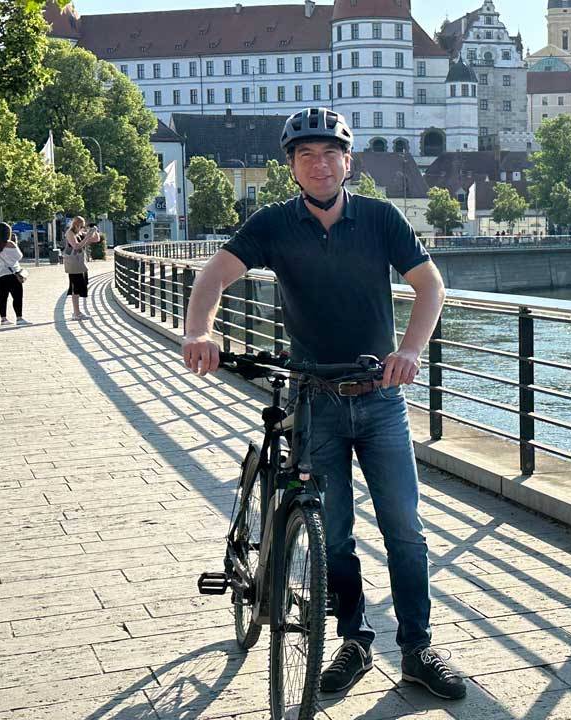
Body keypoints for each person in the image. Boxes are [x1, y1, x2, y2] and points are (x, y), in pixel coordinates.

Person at [181, 108, 464, 701]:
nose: (319, 164)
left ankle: (417, 649)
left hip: (381, 398)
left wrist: (410, 350)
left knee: (405, 530)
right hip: (315, 400)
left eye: (330, 153)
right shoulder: (274, 225)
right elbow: (212, 278)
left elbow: (430, 285)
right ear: (291, 168)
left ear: (347, 161)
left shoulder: (381, 219)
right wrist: (198, 331)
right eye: (306, 155)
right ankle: (354, 642)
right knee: (333, 535)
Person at [0, 222, 28, 325]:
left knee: (2, 295)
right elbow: (19, 256)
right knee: (17, 296)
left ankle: (3, 319)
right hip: (11, 273)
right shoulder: (10, 244)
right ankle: (19, 318)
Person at [63, 216, 100, 319]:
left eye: (84, 226)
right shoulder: (70, 233)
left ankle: (77, 312)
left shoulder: (80, 233)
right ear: (76, 224)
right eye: (81, 225)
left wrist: (94, 230)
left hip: (80, 263)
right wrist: (87, 237)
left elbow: (96, 239)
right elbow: (76, 246)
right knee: (75, 288)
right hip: (73, 264)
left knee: (80, 286)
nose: (83, 227)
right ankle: (76, 313)